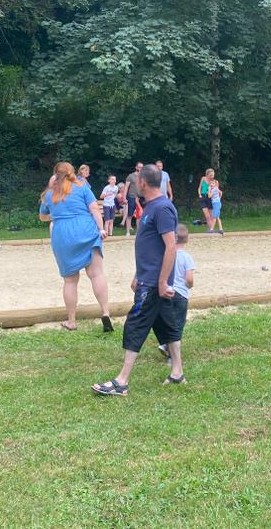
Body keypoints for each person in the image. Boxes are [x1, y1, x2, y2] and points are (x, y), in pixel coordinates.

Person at [92, 164, 181, 395]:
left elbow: (171, 247)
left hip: (153, 283)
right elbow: (151, 248)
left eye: (137, 180)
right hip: (148, 279)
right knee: (167, 325)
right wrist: (137, 275)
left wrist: (162, 282)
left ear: (142, 182)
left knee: (135, 325)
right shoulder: (151, 207)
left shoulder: (162, 208)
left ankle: (122, 382)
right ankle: (177, 374)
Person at [39, 162, 113, 332]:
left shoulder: (50, 194)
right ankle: (105, 313)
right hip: (85, 228)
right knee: (97, 274)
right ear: (72, 172)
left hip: (63, 234)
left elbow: (42, 217)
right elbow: (95, 209)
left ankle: (71, 321)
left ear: (55, 175)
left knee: (70, 281)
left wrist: (58, 214)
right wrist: (101, 228)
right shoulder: (82, 187)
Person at [157, 223, 195, 362]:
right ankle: (171, 355)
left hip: (166, 291)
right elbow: (189, 278)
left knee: (167, 321)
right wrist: (189, 285)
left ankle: (165, 344)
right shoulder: (187, 257)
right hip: (181, 295)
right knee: (178, 325)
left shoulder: (166, 255)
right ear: (187, 239)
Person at [122, 162, 143, 236]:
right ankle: (128, 232)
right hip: (131, 197)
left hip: (140, 198)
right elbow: (126, 187)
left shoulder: (143, 177)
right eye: (139, 167)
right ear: (136, 167)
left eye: (142, 167)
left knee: (139, 216)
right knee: (130, 215)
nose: (140, 168)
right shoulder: (131, 176)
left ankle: (138, 232)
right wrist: (124, 197)